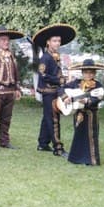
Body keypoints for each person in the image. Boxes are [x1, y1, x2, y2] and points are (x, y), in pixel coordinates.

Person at [32, 23, 76, 157]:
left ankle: (43, 143)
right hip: (48, 92)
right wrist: (61, 81)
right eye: (55, 41)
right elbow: (43, 75)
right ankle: (58, 148)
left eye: (59, 41)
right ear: (48, 42)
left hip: (54, 91)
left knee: (47, 118)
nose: (57, 43)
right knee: (53, 120)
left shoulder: (55, 56)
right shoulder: (45, 57)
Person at [61, 59, 104, 166]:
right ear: (82, 72)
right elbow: (61, 89)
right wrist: (65, 98)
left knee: (91, 136)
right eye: (86, 72)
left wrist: (88, 101)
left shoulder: (98, 86)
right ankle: (76, 158)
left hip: (91, 114)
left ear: (94, 73)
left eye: (91, 72)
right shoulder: (76, 83)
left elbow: (98, 98)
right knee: (78, 134)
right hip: (78, 113)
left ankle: (90, 160)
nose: (88, 74)